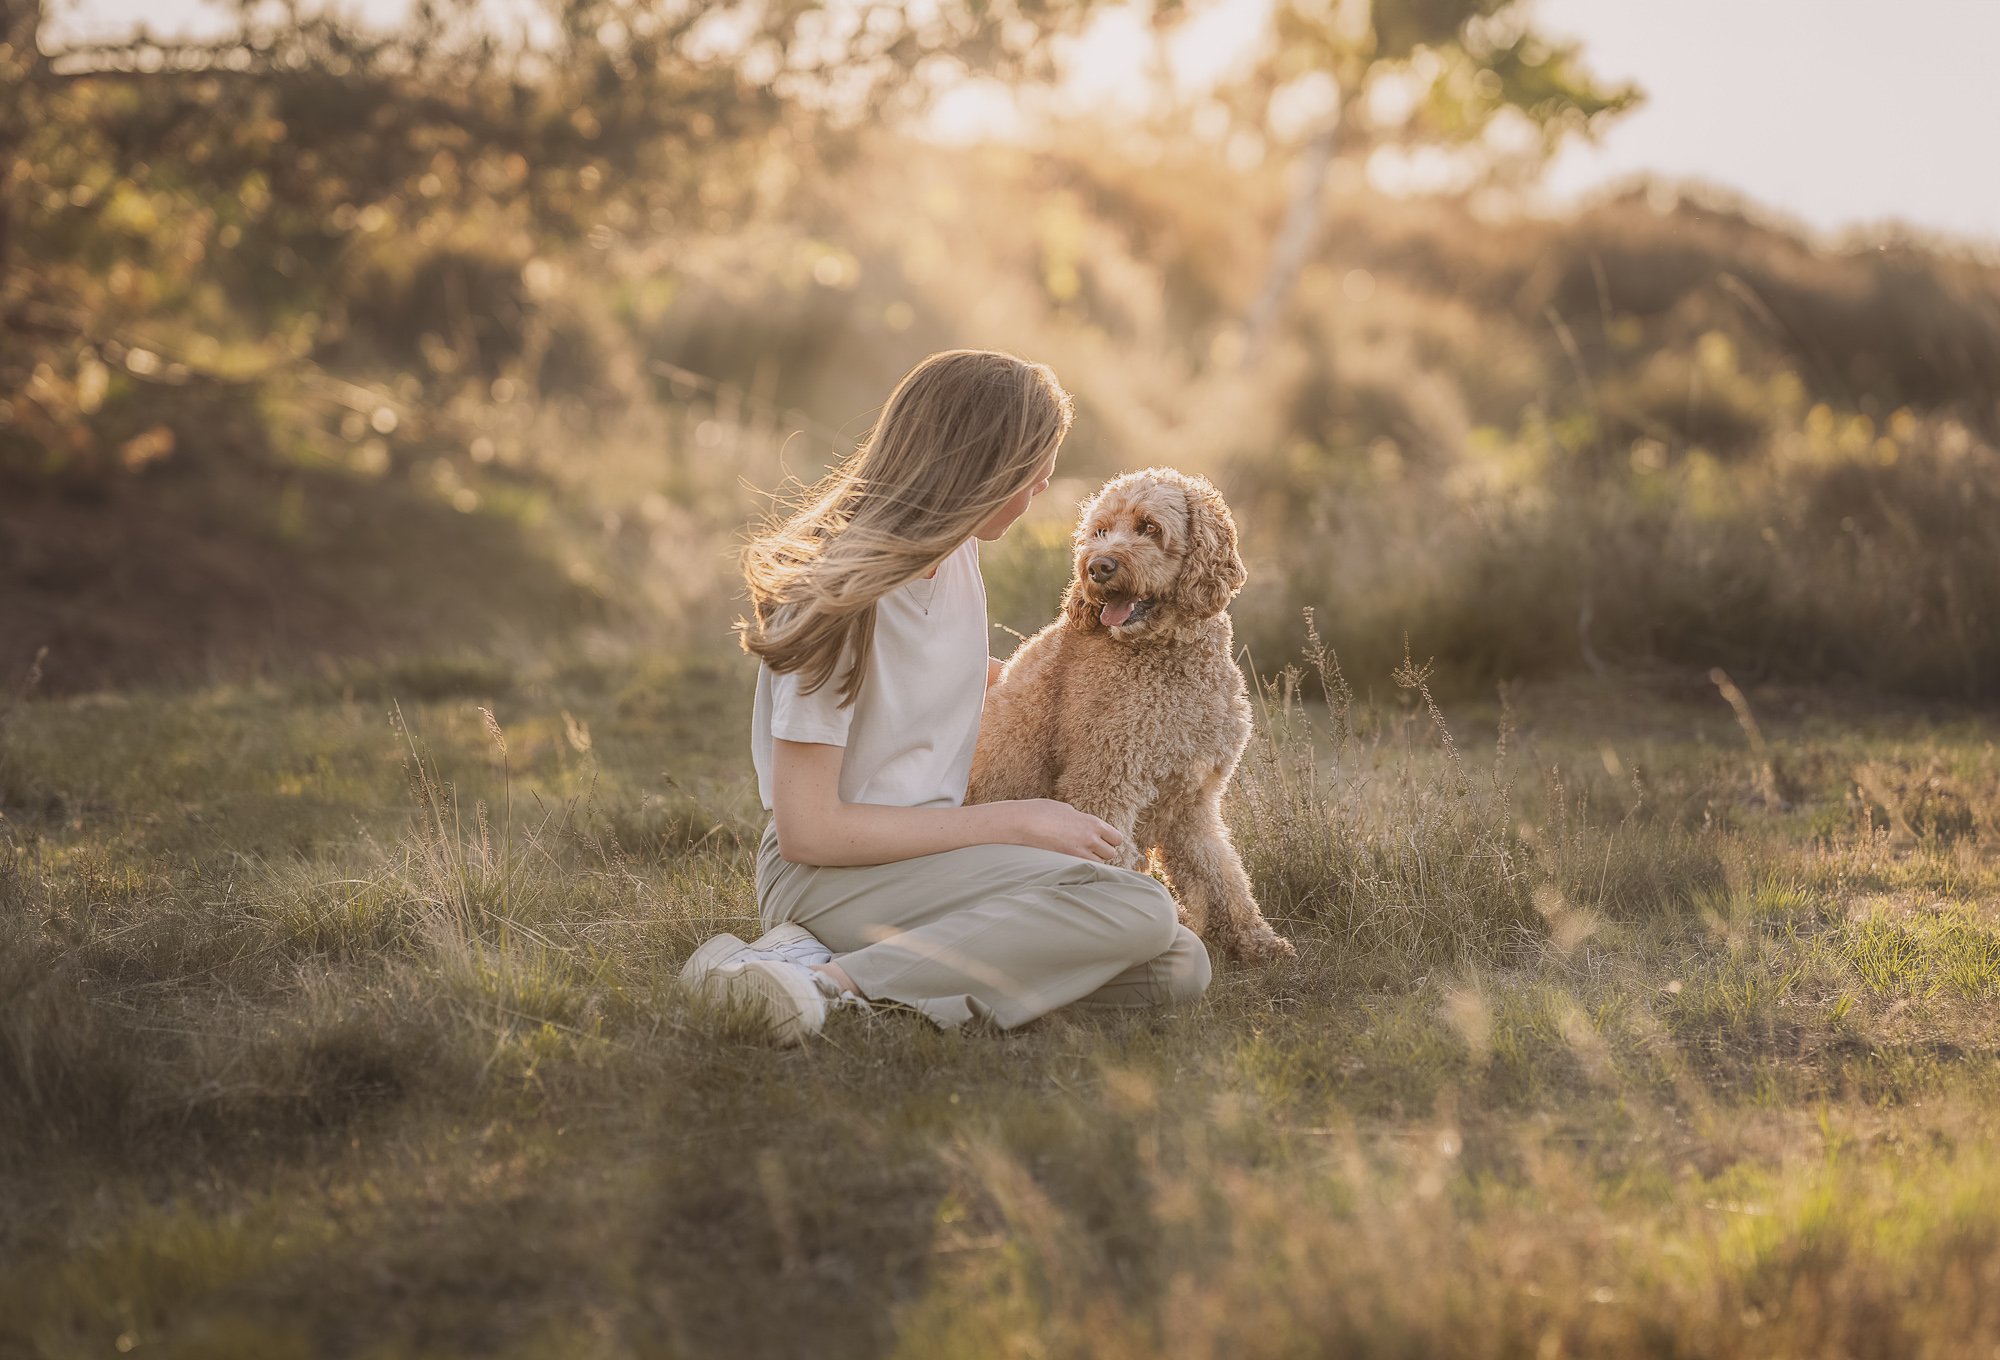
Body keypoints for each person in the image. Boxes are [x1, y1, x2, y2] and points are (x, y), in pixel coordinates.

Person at [680, 348, 1212, 1043]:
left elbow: (916, 679)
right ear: (982, 465)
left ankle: (811, 966)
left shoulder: (956, 551)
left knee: (1177, 963)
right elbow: (811, 829)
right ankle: (826, 983)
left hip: (931, 863)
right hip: (828, 874)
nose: (1046, 483)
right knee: (1137, 911)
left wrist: (1012, 686)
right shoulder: (839, 596)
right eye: (1035, 464)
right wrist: (1016, 822)